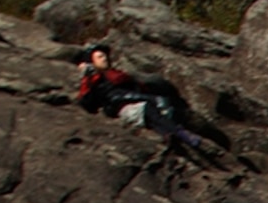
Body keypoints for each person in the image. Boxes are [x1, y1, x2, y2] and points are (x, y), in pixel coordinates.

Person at [73, 44, 213, 153]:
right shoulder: (94, 80)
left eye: (105, 56)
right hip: (122, 105)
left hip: (137, 99)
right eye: (99, 56)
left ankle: (171, 132)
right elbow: (87, 101)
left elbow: (138, 86)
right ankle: (179, 134)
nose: (105, 58)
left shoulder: (117, 75)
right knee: (147, 108)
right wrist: (88, 78)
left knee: (164, 104)